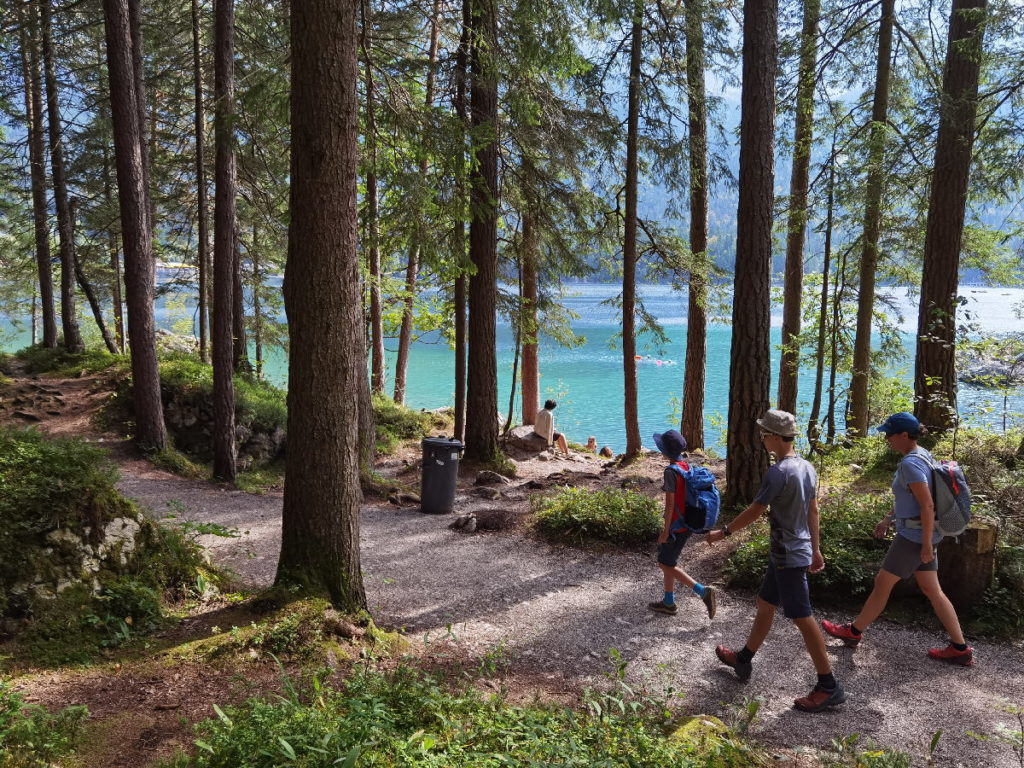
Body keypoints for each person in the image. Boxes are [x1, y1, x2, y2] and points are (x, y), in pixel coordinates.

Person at [707, 409, 845, 713]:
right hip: (793, 551)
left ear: (772, 437)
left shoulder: (778, 472)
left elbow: (756, 511)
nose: (761, 439)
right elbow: (813, 511)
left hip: (788, 555)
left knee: (803, 617)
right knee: (766, 603)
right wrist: (816, 549)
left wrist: (724, 532)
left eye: (763, 434)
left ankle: (828, 685)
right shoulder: (806, 467)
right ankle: (743, 659)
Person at [821, 412, 974, 666]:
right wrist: (888, 518)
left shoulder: (911, 464)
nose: (887, 439)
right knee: (932, 590)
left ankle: (854, 632)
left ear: (905, 435)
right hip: (923, 532)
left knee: (883, 582)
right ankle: (960, 648)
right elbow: (912, 498)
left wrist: (925, 545)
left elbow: (927, 505)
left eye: (890, 434)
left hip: (914, 536)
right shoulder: (922, 454)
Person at [647, 429, 717, 620]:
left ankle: (703, 591)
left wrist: (665, 531)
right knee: (669, 562)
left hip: (677, 526)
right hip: (688, 522)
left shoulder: (671, 471)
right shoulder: (685, 466)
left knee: (664, 563)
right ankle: (668, 602)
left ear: (664, 451)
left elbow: (670, 505)